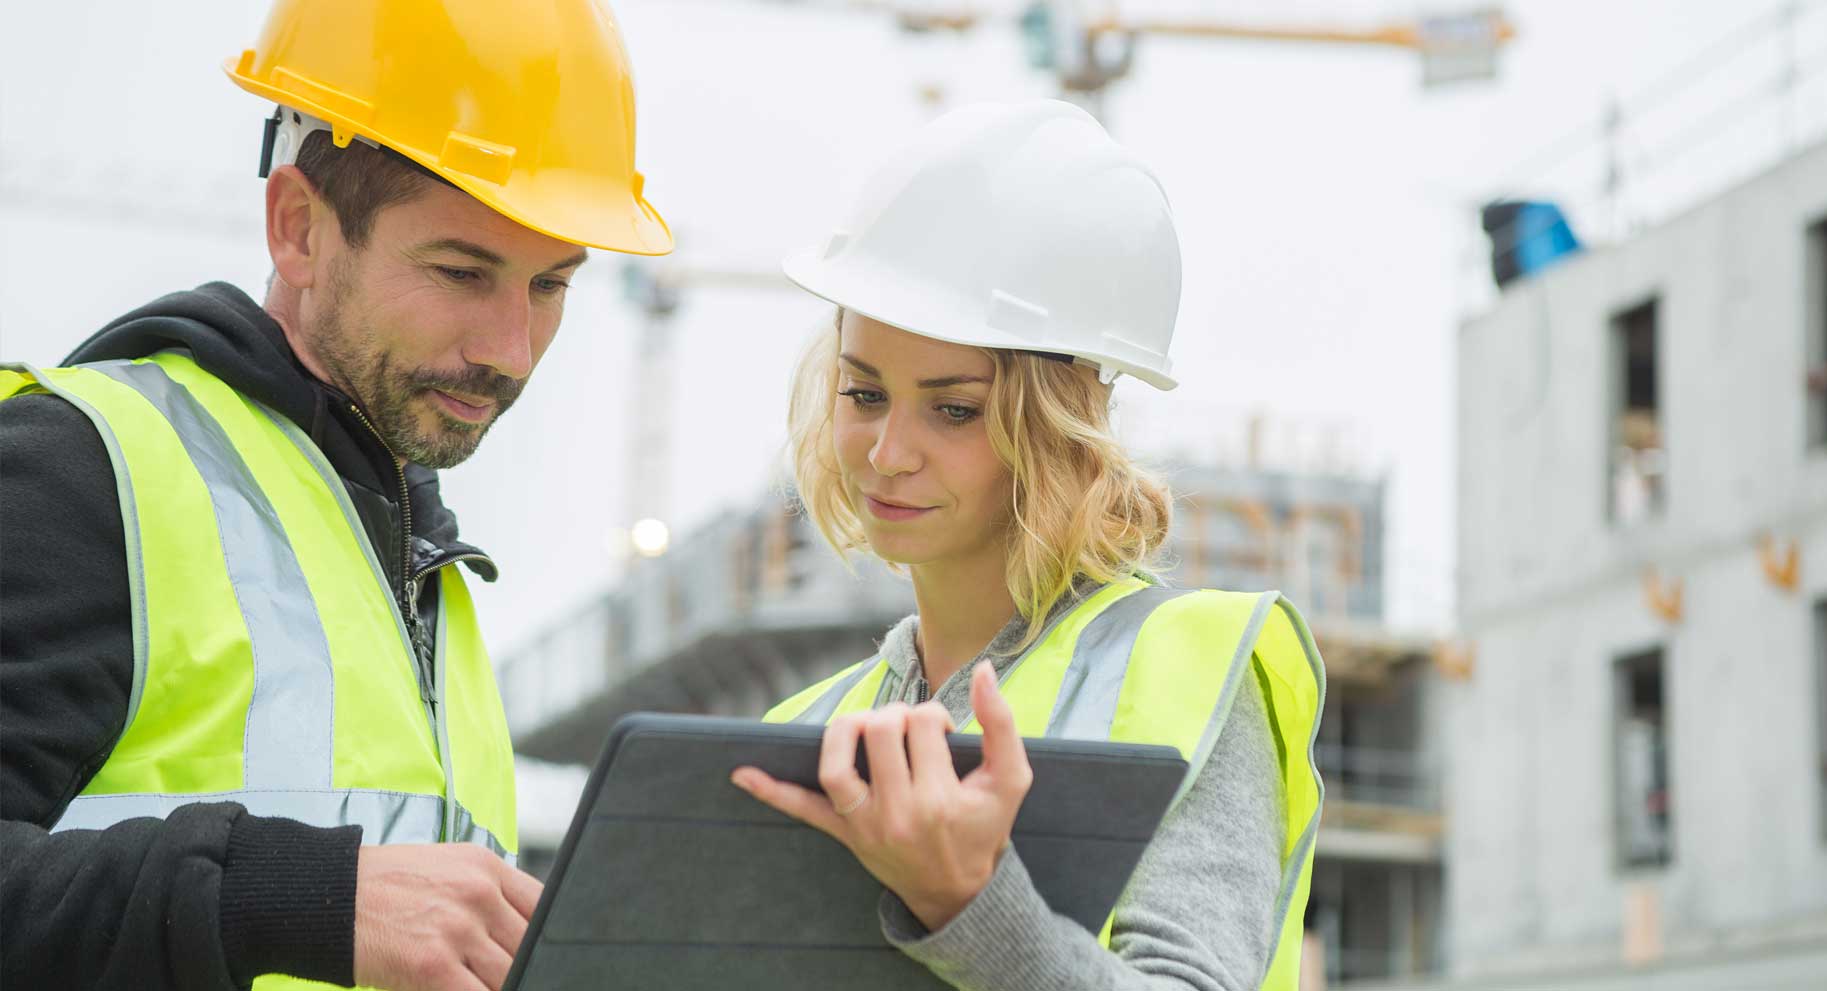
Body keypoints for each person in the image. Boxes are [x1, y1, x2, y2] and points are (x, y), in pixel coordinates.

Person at [0, 2, 671, 989]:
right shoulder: (82, 467)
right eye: (461, 271)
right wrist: (292, 895)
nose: (510, 350)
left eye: (549, 286)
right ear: (299, 228)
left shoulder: (419, 570)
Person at [729, 100, 1325, 990]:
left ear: (1055, 428)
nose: (888, 453)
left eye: (954, 408)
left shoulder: (1189, 673)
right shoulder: (799, 731)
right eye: (862, 394)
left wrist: (970, 904)